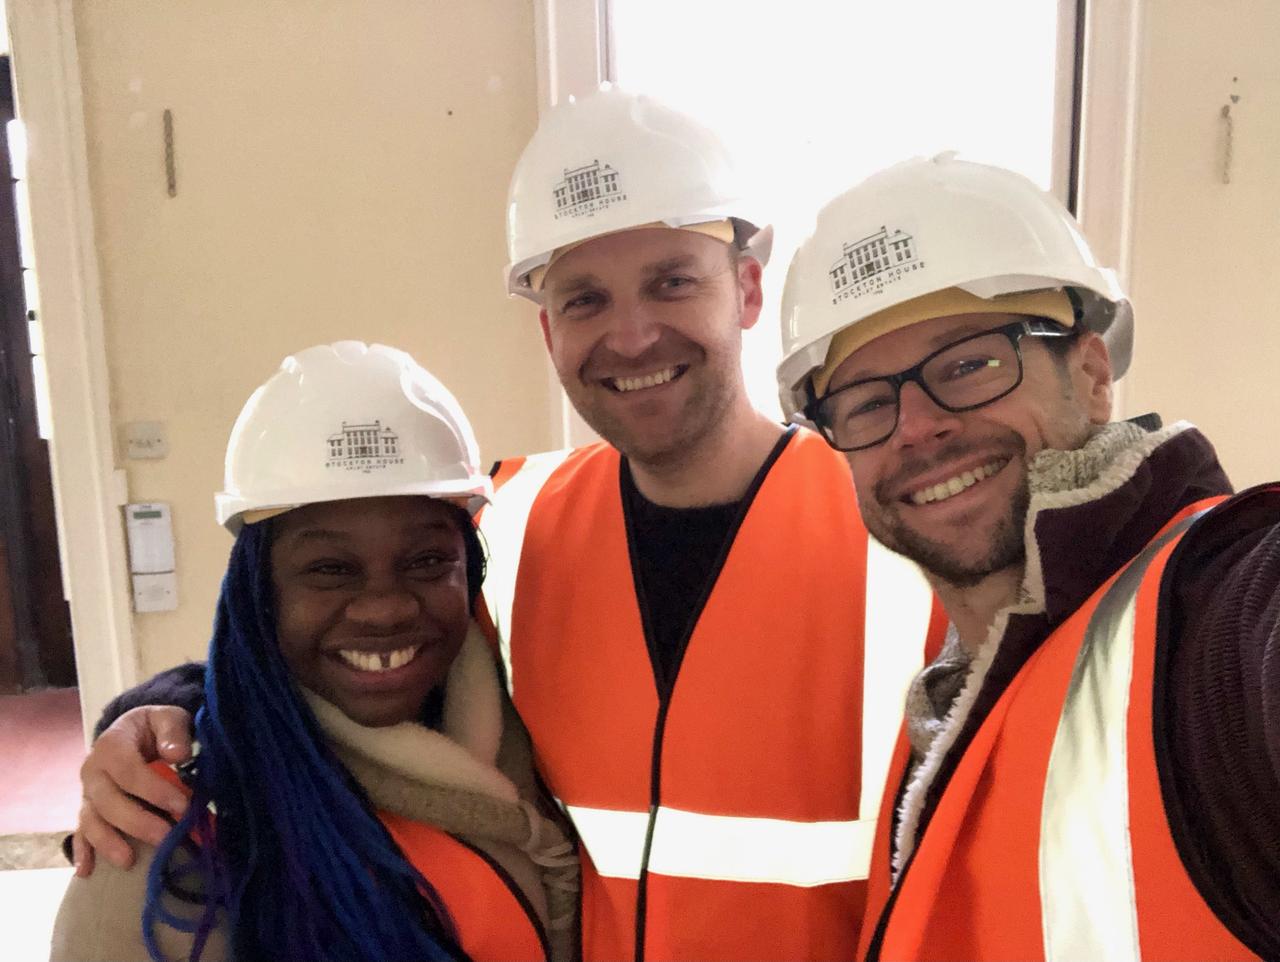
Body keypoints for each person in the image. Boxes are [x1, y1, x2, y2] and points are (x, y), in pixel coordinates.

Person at [71, 86, 944, 962]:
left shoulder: (901, 539)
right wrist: (165, 712)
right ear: (547, 332)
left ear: (747, 288)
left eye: (671, 282)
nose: (632, 336)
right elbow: (312, 645)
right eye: (584, 299)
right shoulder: (510, 524)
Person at [777, 153, 1280, 960]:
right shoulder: (956, 698)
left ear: (1090, 371)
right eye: (868, 402)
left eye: (969, 365)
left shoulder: (1215, 614)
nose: (916, 426)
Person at [51, 342, 577, 962]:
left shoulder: (537, 723)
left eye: (429, 560)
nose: (385, 607)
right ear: (257, 593)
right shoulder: (162, 840)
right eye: (330, 568)